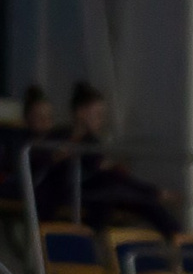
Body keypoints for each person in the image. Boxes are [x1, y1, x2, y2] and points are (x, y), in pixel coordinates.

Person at [36, 82, 180, 235]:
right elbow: (44, 166)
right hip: (66, 192)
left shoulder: (91, 142)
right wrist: (59, 156)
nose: (101, 120)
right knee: (112, 183)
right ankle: (156, 198)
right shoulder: (59, 136)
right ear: (81, 113)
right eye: (97, 115)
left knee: (129, 194)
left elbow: (97, 167)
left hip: (94, 192)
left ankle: (176, 233)